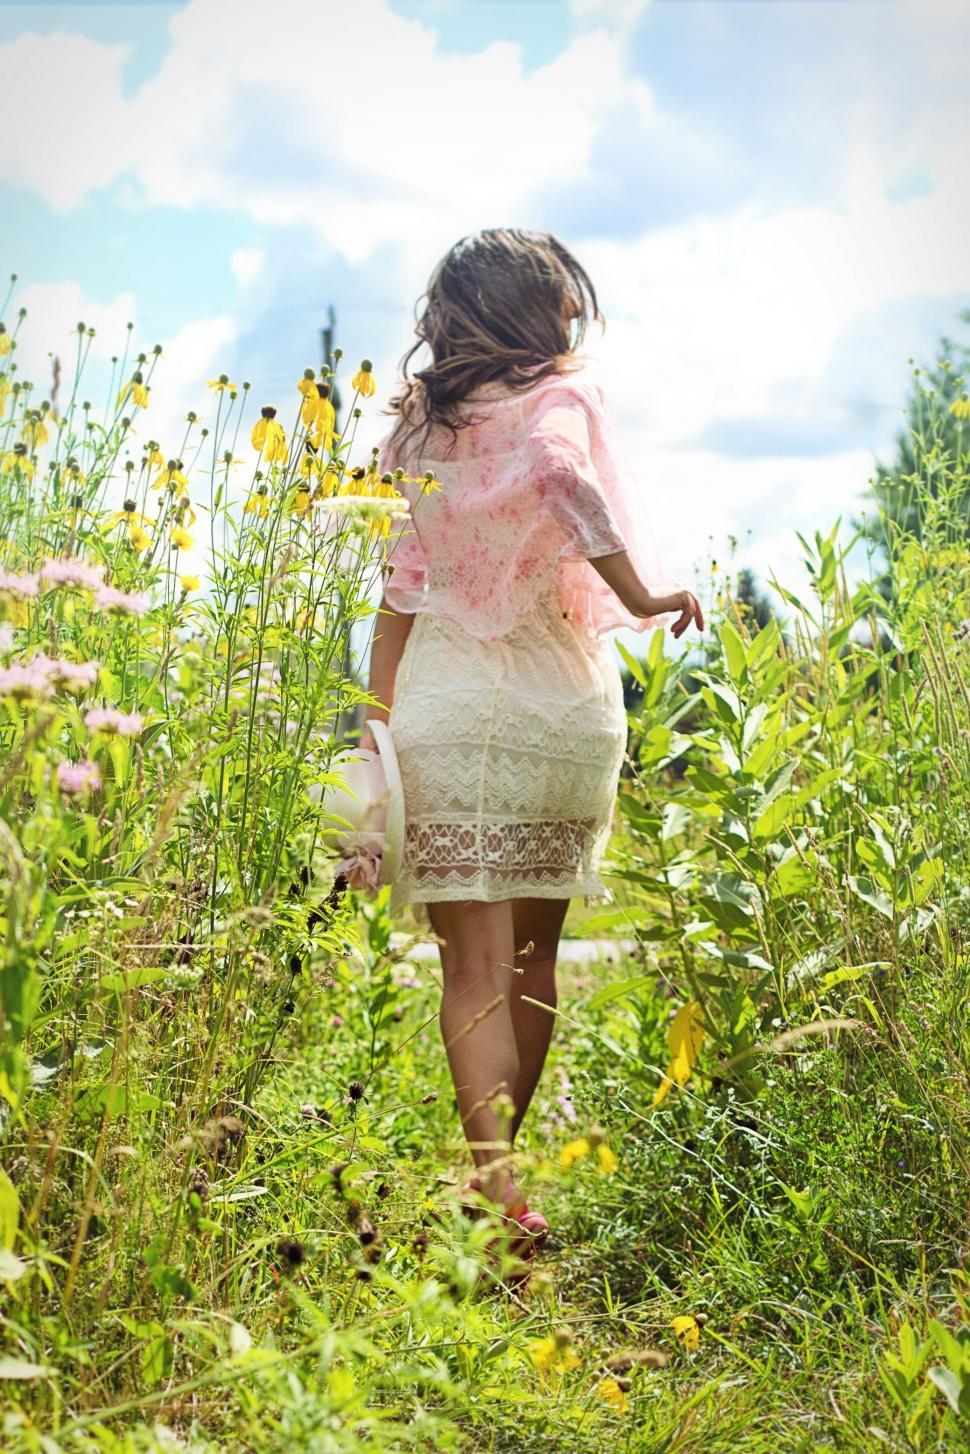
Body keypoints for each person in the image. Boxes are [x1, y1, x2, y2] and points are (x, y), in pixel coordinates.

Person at [362, 228, 703, 1253]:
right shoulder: (565, 397)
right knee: (533, 959)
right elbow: (561, 471)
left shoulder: (418, 429)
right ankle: (498, 1195)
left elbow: (397, 590)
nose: (572, 320)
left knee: (467, 963)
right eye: (563, 301)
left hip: (448, 704)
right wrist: (641, 592)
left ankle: (493, 1186)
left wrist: (374, 731)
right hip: (559, 704)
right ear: (536, 309)